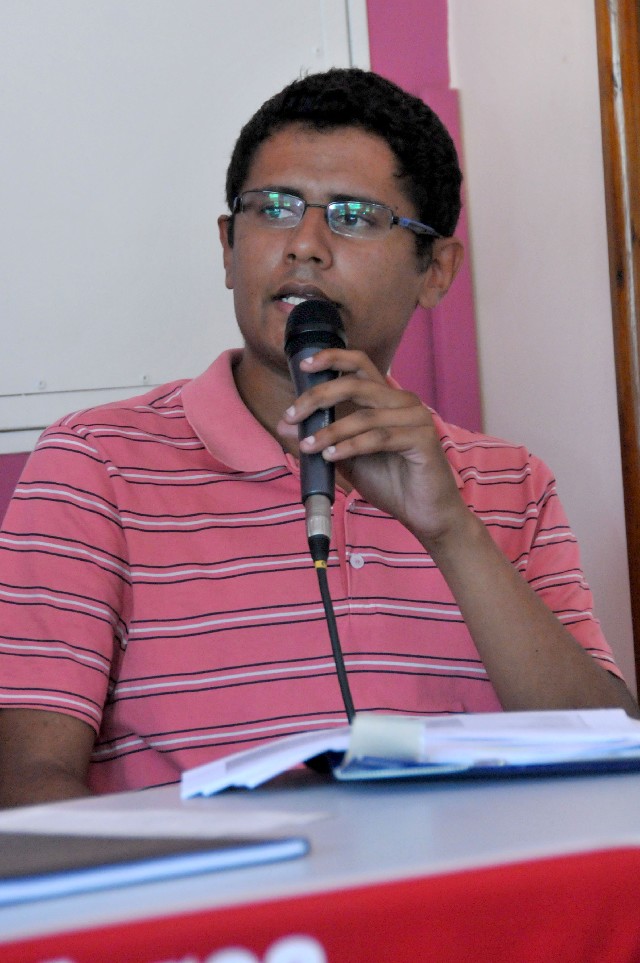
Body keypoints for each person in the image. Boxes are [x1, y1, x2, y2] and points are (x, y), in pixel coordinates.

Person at [0, 68, 636, 808]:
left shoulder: (512, 484)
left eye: (355, 216)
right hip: (220, 885)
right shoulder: (93, 467)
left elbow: (611, 764)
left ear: (436, 270)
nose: (304, 245)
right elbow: (24, 780)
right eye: (273, 209)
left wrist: (451, 531)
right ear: (228, 246)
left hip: (468, 884)